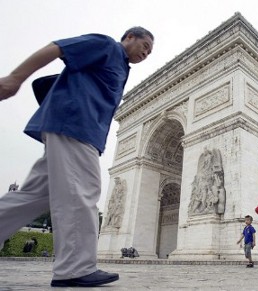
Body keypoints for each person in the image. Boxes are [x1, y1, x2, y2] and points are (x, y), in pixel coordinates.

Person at [0, 27, 154, 287]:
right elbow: (58, 47)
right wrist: (15, 78)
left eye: (150, 52)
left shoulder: (120, 65)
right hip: (76, 126)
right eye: (145, 45)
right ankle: (74, 268)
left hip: (72, 128)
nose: (146, 53)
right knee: (84, 191)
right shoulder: (106, 46)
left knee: (32, 197)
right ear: (129, 37)